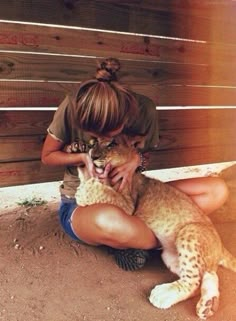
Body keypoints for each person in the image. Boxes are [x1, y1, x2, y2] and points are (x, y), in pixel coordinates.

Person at [41, 58, 229, 270]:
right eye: (94, 135)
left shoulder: (145, 110)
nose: (101, 142)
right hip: (86, 203)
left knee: (215, 190)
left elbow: (145, 158)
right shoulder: (73, 104)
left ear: (125, 120)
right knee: (109, 221)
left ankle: (136, 242)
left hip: (140, 196)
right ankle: (165, 240)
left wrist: (136, 158)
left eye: (107, 135)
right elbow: (48, 156)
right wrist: (82, 158)